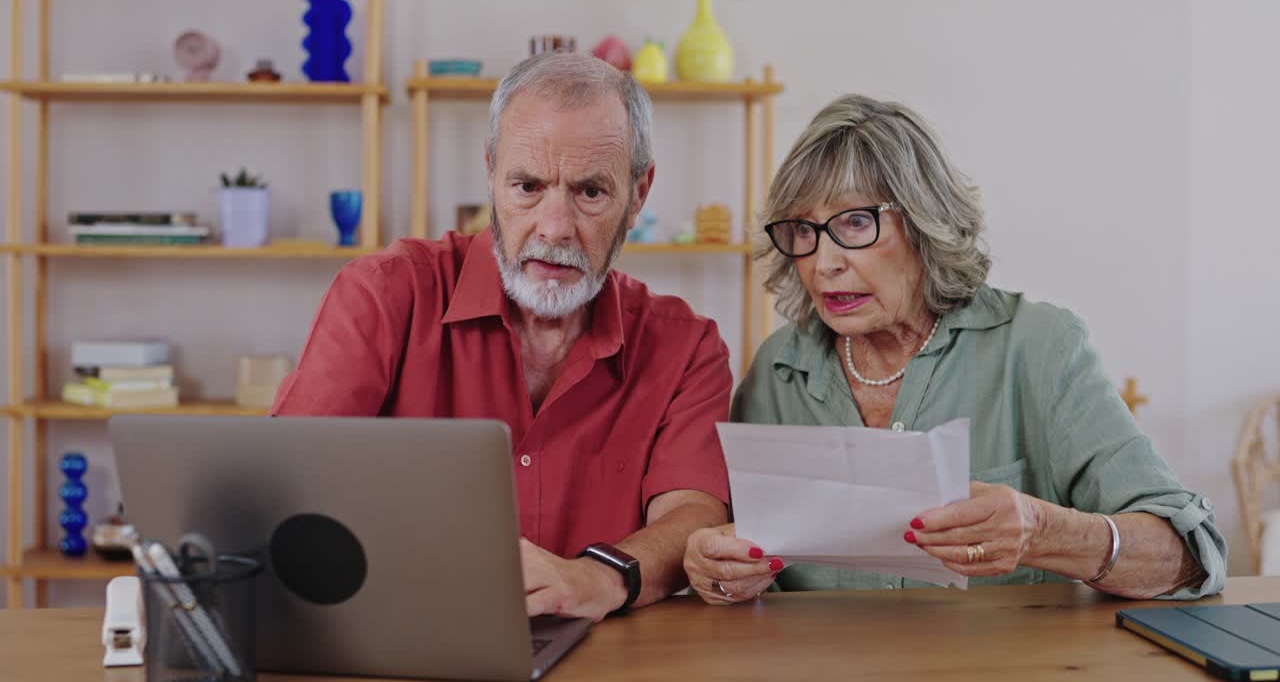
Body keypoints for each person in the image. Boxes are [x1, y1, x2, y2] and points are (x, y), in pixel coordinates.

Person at [683, 94, 1226, 604]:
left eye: (853, 222)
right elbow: (737, 566)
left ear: (926, 221)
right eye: (803, 229)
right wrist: (718, 575)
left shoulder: (1039, 350)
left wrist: (1046, 533)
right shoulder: (777, 372)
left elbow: (1191, 557)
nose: (823, 263)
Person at [272, 53, 732, 621]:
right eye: (528, 187)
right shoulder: (383, 295)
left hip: (608, 655)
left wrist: (596, 575)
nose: (555, 227)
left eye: (591, 192)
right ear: (491, 174)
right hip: (403, 637)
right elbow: (289, 483)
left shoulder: (687, 347)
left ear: (639, 193)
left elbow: (692, 515)